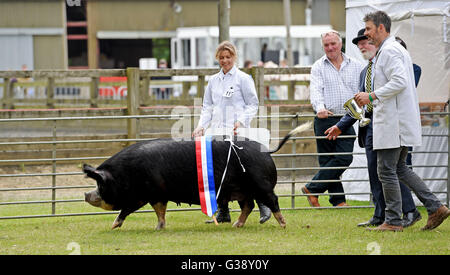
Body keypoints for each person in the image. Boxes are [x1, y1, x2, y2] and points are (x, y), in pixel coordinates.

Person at [354, 10, 450, 231]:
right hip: (397, 120)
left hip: (393, 122)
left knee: (386, 170)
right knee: (400, 169)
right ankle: (435, 206)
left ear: (381, 27)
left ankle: (394, 220)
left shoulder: (390, 51)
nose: (366, 33)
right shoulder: (390, 50)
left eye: (368, 28)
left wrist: (371, 95)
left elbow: (400, 82)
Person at [324, 29, 421, 228]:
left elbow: (411, 75)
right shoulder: (365, 71)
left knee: (395, 170)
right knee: (376, 173)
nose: (361, 46)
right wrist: (340, 126)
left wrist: (378, 94)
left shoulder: (397, 64)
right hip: (370, 127)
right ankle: (381, 214)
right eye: (358, 43)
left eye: (365, 41)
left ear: (376, 42)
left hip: (393, 124)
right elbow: (360, 103)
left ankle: (410, 211)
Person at [192, 41, 271, 224]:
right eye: (221, 57)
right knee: (218, 172)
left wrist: (241, 121)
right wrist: (200, 125)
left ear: (234, 57)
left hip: (238, 131)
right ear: (217, 59)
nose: (225, 60)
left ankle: (264, 205)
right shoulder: (213, 81)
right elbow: (207, 107)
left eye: (228, 57)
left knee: (247, 171)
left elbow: (253, 104)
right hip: (217, 132)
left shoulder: (243, 79)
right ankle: (223, 211)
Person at [302, 30, 364, 207]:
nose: (330, 48)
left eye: (333, 44)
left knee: (344, 158)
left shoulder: (356, 65)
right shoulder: (318, 66)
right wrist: (319, 108)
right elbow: (315, 90)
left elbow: (359, 92)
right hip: (325, 117)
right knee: (328, 159)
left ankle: (312, 188)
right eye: (326, 45)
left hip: (347, 117)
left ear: (340, 43)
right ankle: (338, 201)